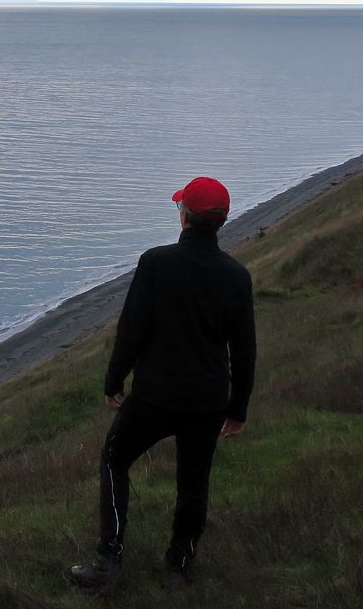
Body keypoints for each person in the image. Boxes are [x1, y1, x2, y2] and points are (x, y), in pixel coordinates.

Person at [68, 176, 256, 590]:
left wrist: (113, 381)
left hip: (155, 395)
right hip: (207, 401)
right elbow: (244, 352)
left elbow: (132, 329)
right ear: (220, 222)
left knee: (115, 460)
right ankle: (177, 566)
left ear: (185, 217)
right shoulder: (236, 276)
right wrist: (237, 408)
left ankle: (108, 562)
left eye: (179, 208)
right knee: (194, 481)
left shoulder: (156, 262)